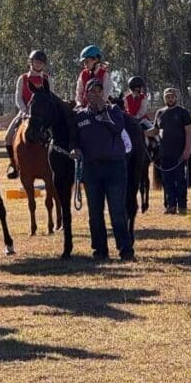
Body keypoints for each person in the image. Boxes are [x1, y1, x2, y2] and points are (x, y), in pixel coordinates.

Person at [72, 79, 134, 261]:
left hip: (114, 167)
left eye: (99, 91)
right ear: (86, 95)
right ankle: (99, 251)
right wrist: (75, 149)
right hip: (91, 170)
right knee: (95, 213)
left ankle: (126, 250)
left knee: (117, 211)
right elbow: (75, 139)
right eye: (92, 92)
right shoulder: (80, 117)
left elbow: (117, 128)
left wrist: (103, 112)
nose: (95, 95)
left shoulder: (114, 111)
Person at [4, 50, 50, 179]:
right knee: (8, 137)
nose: (38, 64)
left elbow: (51, 97)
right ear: (31, 62)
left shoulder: (47, 79)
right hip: (25, 112)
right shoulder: (22, 78)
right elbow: (18, 98)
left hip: (43, 115)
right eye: (36, 61)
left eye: (41, 63)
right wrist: (24, 111)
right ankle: (14, 164)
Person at [153, 87, 191, 214]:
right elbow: (155, 131)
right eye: (167, 97)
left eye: (172, 96)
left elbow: (188, 132)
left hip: (179, 152)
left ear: (176, 97)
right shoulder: (160, 113)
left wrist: (187, 150)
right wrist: (141, 132)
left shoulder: (183, 112)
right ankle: (171, 206)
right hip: (164, 153)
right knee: (167, 180)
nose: (169, 99)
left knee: (180, 180)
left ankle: (182, 206)